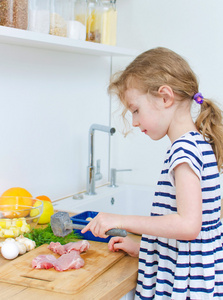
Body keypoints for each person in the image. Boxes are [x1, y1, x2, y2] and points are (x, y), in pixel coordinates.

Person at [81, 47, 223, 299]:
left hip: (186, 288)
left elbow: (188, 225)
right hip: (190, 275)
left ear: (165, 97)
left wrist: (120, 220)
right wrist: (145, 247)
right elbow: (189, 237)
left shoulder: (184, 152)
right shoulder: (195, 144)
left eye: (135, 110)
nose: (134, 122)